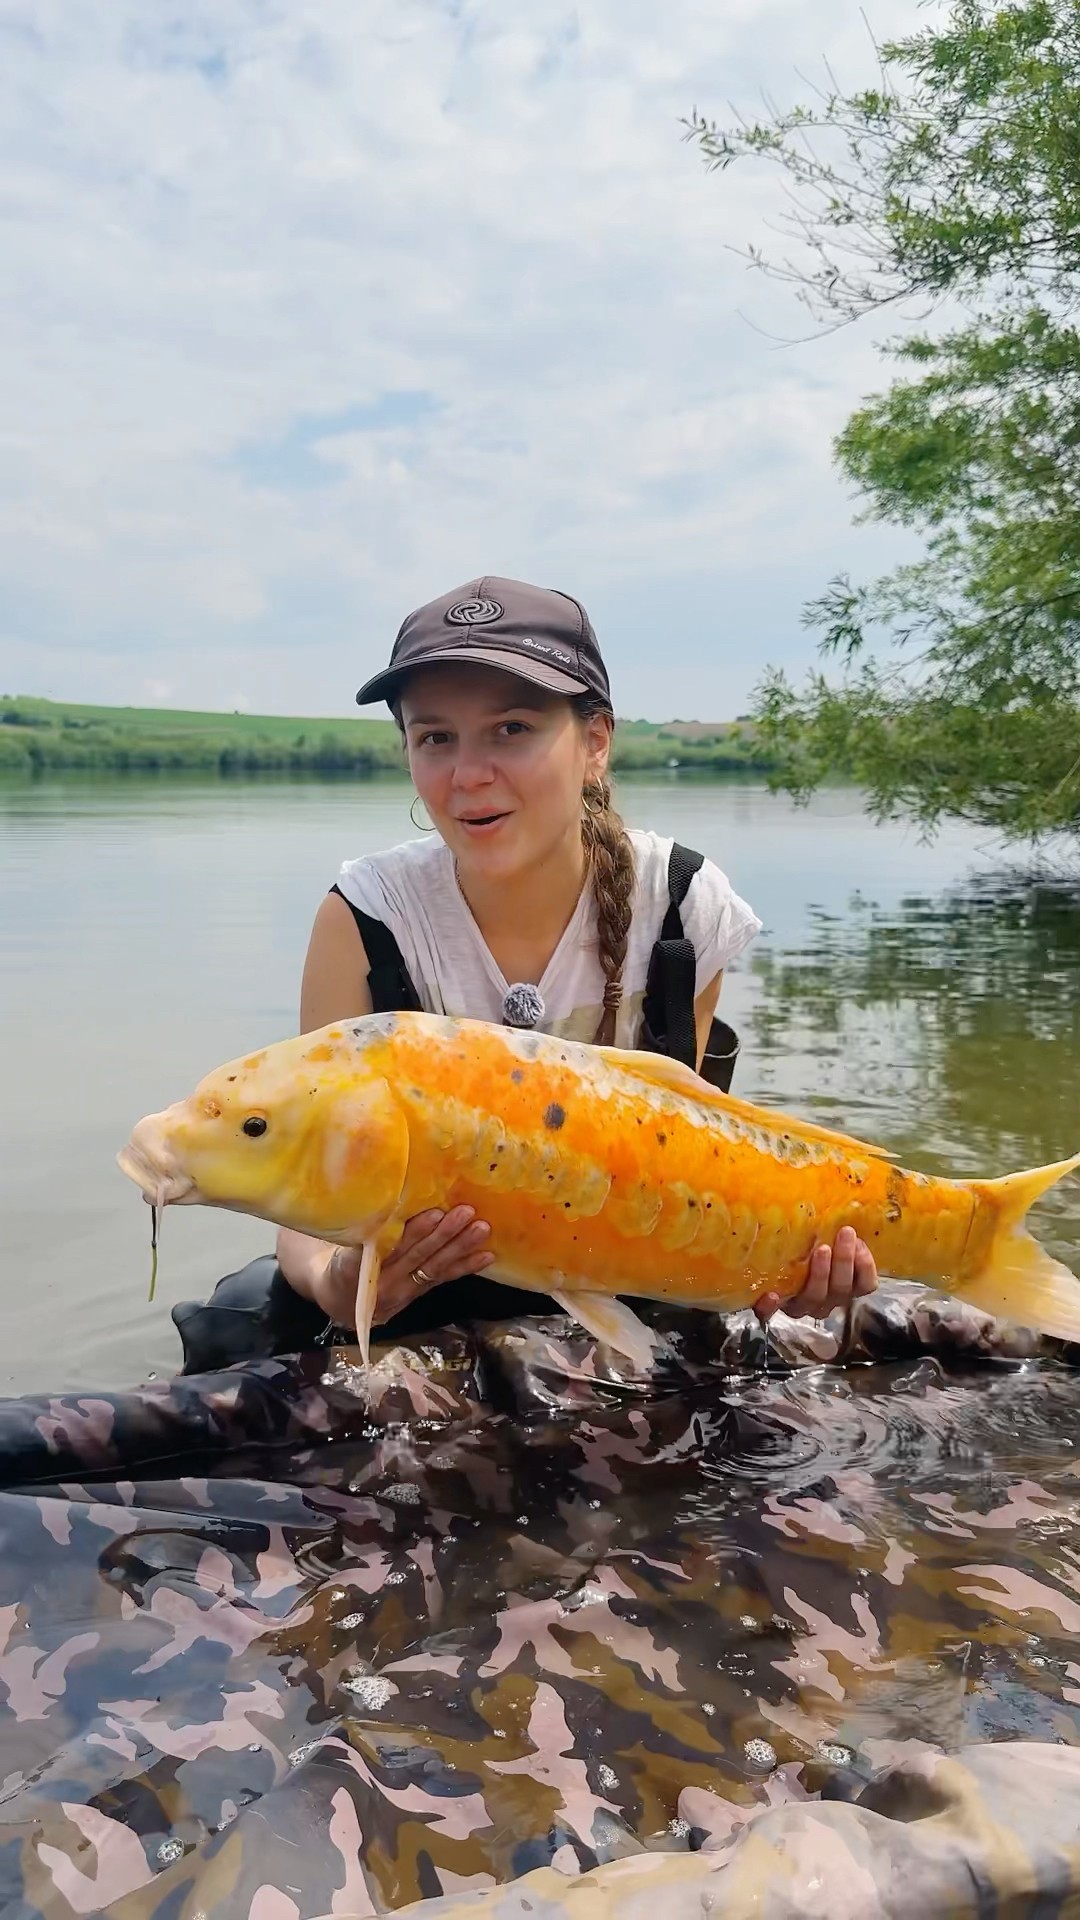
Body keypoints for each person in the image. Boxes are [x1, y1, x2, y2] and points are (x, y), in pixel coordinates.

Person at [274, 573, 879, 1345]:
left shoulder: (682, 906)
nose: (468, 775)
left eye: (512, 729)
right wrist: (337, 1284)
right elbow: (304, 1193)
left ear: (595, 742)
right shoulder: (365, 916)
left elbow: (694, 1176)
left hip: (622, 1295)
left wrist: (777, 1264)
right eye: (435, 738)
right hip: (415, 1314)